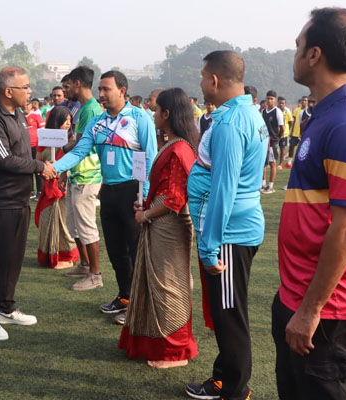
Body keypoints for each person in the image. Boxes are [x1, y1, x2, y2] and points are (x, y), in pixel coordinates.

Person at [272, 8, 346, 399]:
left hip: (329, 312)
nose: (294, 53)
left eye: (298, 46)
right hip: (302, 295)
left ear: (314, 55)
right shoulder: (327, 114)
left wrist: (309, 309)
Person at [185, 50, 266, 400]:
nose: (201, 84)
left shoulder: (231, 122)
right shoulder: (243, 113)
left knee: (231, 317)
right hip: (230, 231)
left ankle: (235, 390)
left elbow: (224, 188)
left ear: (214, 79)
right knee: (224, 313)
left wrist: (208, 245)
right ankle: (223, 377)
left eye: (203, 77)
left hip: (229, 235)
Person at [52, 70, 157, 322]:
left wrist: (144, 195)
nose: (101, 94)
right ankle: (124, 296)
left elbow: (150, 157)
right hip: (107, 191)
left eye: (106, 89)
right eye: (99, 89)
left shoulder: (138, 117)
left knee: (135, 250)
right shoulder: (97, 122)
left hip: (132, 191)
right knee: (116, 250)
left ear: (122, 90)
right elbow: (80, 151)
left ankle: (138, 304)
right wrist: (54, 168)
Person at [118, 87, 200, 369]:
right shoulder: (174, 144)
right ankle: (154, 342)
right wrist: (147, 208)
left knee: (169, 285)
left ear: (167, 114)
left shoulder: (179, 150)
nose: (152, 114)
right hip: (159, 220)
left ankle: (175, 351)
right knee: (157, 282)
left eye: (155, 110)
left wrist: (146, 214)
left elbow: (176, 199)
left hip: (169, 225)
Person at [0, 66, 57, 342]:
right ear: (8, 91)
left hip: (20, 199)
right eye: (25, 87)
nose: (29, 91)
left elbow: (24, 153)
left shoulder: (20, 115)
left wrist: (42, 162)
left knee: (13, 259)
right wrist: (39, 167)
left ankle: (6, 307)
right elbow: (4, 159)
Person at [61, 66, 104, 291]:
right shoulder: (84, 108)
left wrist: (65, 147)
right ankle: (85, 264)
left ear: (78, 83)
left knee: (86, 226)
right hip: (77, 173)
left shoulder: (90, 109)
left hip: (87, 175)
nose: (65, 90)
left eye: (68, 86)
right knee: (74, 223)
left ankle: (95, 275)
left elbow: (82, 143)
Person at [34, 106, 79, 269]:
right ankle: (48, 255)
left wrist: (61, 169)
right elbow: (38, 161)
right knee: (46, 222)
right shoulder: (44, 139)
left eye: (70, 121)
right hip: (47, 187)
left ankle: (67, 257)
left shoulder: (72, 141)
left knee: (64, 224)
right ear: (56, 121)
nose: (68, 124)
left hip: (63, 187)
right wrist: (46, 168)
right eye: (65, 120)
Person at [260, 90, 284, 194]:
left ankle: (271, 186)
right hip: (264, 140)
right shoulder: (263, 111)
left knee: (272, 163)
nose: (269, 101)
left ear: (274, 100)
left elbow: (281, 128)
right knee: (262, 163)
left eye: (271, 99)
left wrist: (277, 138)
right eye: (268, 98)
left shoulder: (277, 111)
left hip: (273, 141)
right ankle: (263, 184)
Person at [26, 99, 45, 199]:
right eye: (24, 104)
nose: (25, 106)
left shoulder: (36, 116)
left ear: (31, 106)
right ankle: (30, 191)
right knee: (27, 170)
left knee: (37, 170)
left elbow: (42, 131)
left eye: (27, 104)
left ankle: (40, 191)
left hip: (36, 147)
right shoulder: (19, 118)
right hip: (25, 148)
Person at [286, 96, 308, 168]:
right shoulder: (297, 110)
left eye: (305, 100)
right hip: (295, 132)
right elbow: (294, 121)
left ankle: (301, 163)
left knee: (302, 149)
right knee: (291, 146)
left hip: (304, 133)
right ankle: (289, 162)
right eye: (303, 100)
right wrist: (291, 131)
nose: (304, 102)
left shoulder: (308, 111)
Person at [277, 96, 293, 167]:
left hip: (284, 133)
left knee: (283, 148)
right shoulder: (276, 110)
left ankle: (280, 164)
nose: (281, 104)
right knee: (273, 148)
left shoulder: (287, 111)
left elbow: (290, 121)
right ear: (277, 103)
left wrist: (288, 130)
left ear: (285, 104)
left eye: (283, 103)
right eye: (280, 103)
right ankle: (271, 163)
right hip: (275, 133)